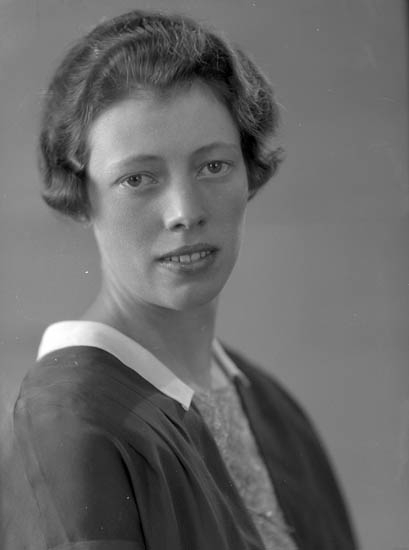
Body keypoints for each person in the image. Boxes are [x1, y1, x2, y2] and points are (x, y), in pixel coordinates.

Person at [6, 9, 357, 550]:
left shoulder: (271, 406)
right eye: (138, 179)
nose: (185, 212)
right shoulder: (70, 422)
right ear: (80, 197)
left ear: (249, 173)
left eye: (213, 166)